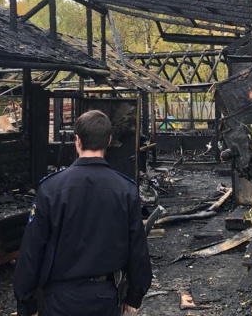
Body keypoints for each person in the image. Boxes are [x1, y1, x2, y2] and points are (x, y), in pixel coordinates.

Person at [14, 110, 152, 316]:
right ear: (109, 140)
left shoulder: (51, 188)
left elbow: (32, 249)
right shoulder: (126, 190)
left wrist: (27, 302)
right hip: (105, 298)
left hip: (58, 300)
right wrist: (134, 295)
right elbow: (137, 248)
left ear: (77, 140)